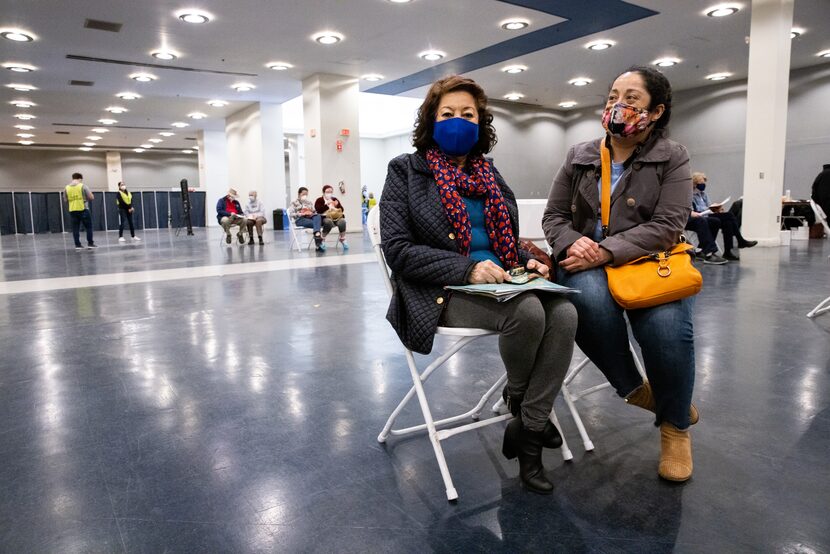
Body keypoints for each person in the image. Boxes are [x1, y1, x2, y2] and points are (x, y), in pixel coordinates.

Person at [381, 75, 577, 494]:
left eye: (467, 114)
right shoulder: (405, 171)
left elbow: (504, 242)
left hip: (503, 282)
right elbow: (397, 250)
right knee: (526, 313)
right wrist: (465, 270)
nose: (457, 121)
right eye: (447, 113)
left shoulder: (490, 174)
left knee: (563, 313)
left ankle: (526, 425)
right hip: (441, 290)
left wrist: (528, 262)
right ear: (431, 122)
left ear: (481, 122)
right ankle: (528, 423)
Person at [543, 66, 699, 482]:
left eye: (631, 98)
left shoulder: (673, 156)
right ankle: (641, 392)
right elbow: (554, 216)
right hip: (582, 259)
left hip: (650, 262)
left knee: (667, 332)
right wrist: (569, 242)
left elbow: (669, 224)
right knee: (585, 302)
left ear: (657, 111)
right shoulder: (580, 154)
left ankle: (675, 429)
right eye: (613, 96)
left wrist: (606, 252)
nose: (618, 105)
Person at [690, 172, 756, 260]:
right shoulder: (691, 195)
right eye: (701, 183)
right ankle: (740, 241)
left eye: (704, 183)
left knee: (728, 222)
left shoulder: (703, 194)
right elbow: (697, 209)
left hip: (708, 214)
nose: (703, 185)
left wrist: (716, 208)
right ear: (695, 184)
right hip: (701, 216)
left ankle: (728, 251)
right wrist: (708, 209)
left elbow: (709, 205)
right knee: (729, 216)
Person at [64, 172, 97, 250]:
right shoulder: (83, 186)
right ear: (80, 178)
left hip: (72, 209)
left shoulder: (67, 187)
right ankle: (90, 243)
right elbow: (91, 197)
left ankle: (77, 245)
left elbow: (65, 200)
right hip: (83, 209)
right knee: (89, 227)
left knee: (75, 228)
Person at [290, 187, 326, 251]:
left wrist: (310, 211)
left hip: (310, 217)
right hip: (300, 219)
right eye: (303, 194)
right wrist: (301, 214)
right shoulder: (294, 202)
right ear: (299, 194)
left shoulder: (308, 202)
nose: (305, 196)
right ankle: (318, 243)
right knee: (317, 224)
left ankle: (317, 235)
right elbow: (291, 214)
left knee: (317, 216)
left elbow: (314, 211)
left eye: (306, 194)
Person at [314, 185, 348, 250]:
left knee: (342, 221)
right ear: (323, 192)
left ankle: (342, 238)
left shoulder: (334, 199)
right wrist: (327, 205)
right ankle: (322, 238)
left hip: (336, 217)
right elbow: (318, 210)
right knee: (328, 222)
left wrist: (337, 205)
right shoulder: (319, 200)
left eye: (331, 192)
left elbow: (342, 209)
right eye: (327, 192)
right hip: (325, 217)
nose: (329, 193)